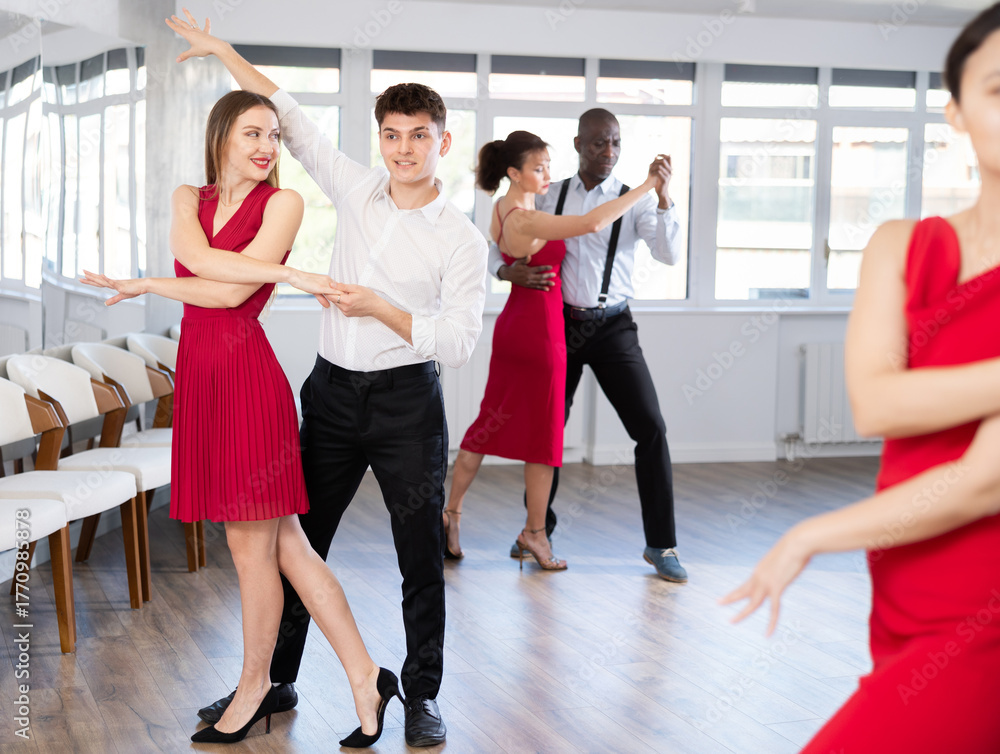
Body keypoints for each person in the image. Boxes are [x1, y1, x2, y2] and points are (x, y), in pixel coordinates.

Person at [163, 12, 487, 747]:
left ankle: (420, 694)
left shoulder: (461, 240)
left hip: (408, 404)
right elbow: (290, 115)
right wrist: (223, 52)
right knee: (295, 540)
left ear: (444, 140)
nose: (405, 149)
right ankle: (274, 682)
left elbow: (460, 341)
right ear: (382, 139)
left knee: (418, 557)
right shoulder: (354, 186)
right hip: (331, 396)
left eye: (420, 136)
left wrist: (384, 309)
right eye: (393, 135)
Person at [82, 90, 399, 747]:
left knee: (253, 551)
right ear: (222, 134)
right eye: (252, 132)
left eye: (275, 136)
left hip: (247, 381)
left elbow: (228, 292)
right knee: (289, 549)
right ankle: (367, 677)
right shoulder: (185, 199)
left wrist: (151, 283)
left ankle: (256, 689)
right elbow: (200, 266)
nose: (265, 146)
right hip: (203, 376)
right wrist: (289, 274)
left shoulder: (283, 204)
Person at [721, 6, 1000, 751]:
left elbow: (984, 480)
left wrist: (813, 532)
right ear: (958, 114)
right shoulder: (899, 245)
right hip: (903, 596)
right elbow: (876, 401)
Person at [444, 131, 668, 570]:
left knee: (487, 425)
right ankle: (535, 534)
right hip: (541, 332)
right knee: (544, 439)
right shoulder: (527, 218)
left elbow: (493, 249)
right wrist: (646, 187)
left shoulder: (507, 208)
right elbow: (591, 223)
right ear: (514, 173)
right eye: (539, 167)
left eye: (549, 165)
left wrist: (507, 269)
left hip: (515, 326)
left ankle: (451, 514)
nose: (548, 174)